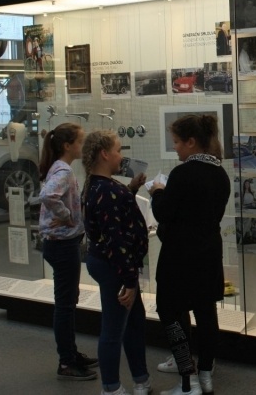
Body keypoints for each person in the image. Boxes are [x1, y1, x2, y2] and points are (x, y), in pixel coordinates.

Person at [150, 114, 231, 395]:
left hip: (179, 257)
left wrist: (157, 192)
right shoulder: (220, 174)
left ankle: (188, 378)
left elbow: (164, 213)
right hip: (208, 254)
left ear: (191, 142)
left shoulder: (182, 174)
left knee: (171, 314)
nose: (174, 148)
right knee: (206, 314)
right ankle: (206, 373)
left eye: (176, 142)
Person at [81, 130, 151, 395]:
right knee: (113, 329)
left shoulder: (98, 185)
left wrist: (130, 189)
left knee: (134, 322)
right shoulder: (107, 189)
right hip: (115, 267)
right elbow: (116, 240)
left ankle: (141, 379)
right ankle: (110, 387)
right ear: (104, 154)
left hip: (111, 264)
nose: (121, 156)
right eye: (118, 150)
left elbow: (114, 212)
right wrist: (130, 281)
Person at [37, 123, 99, 380]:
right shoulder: (63, 171)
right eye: (80, 142)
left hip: (61, 243)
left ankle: (71, 354)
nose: (82, 147)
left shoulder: (59, 168)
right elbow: (48, 196)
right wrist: (68, 216)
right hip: (62, 244)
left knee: (68, 302)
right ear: (67, 146)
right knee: (65, 305)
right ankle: (66, 362)